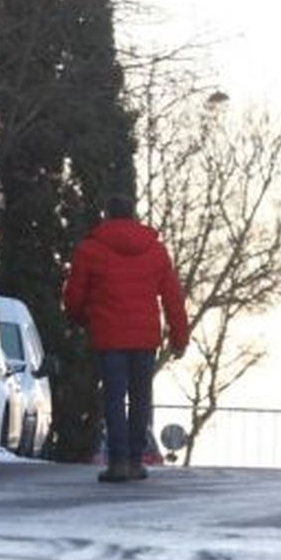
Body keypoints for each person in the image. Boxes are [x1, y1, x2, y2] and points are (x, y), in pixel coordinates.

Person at [62, 196, 189, 483]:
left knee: (114, 398)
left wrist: (83, 320)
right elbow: (173, 298)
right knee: (141, 398)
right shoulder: (155, 252)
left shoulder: (90, 249)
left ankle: (118, 462)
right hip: (145, 338)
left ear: (107, 215)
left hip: (109, 336)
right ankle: (135, 461)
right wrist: (180, 337)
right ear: (133, 215)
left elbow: (74, 296)